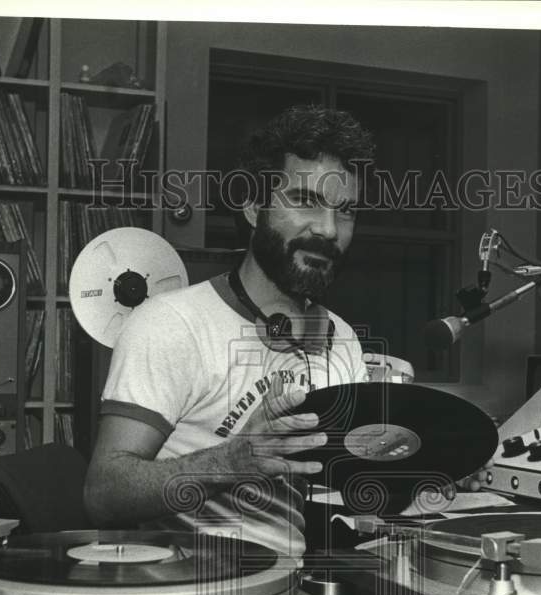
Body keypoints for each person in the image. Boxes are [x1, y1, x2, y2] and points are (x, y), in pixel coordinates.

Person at [83, 105, 376, 558]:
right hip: (184, 590)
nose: (328, 229)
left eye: (346, 211)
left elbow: (343, 477)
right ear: (253, 207)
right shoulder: (170, 323)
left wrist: (424, 461)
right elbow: (104, 494)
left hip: (289, 588)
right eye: (304, 201)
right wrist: (231, 461)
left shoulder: (342, 339)